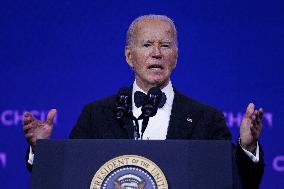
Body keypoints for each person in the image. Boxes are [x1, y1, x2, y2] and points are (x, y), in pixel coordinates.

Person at [23, 15, 264, 188]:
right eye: (147, 45)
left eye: (165, 45)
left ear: (176, 57)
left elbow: (236, 181)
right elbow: (71, 176)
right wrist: (41, 149)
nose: (156, 53)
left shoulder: (206, 118)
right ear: (130, 56)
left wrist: (247, 147)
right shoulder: (96, 114)